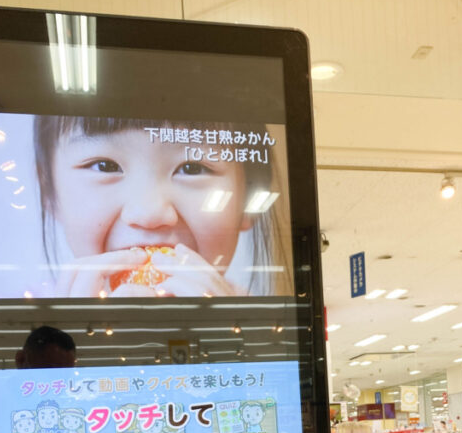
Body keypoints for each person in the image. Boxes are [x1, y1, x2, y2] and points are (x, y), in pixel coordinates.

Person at [33, 116, 292, 298]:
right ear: (49, 192)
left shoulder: (263, 331)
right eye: (105, 165)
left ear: (249, 201)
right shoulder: (24, 325)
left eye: (192, 168)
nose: (149, 213)